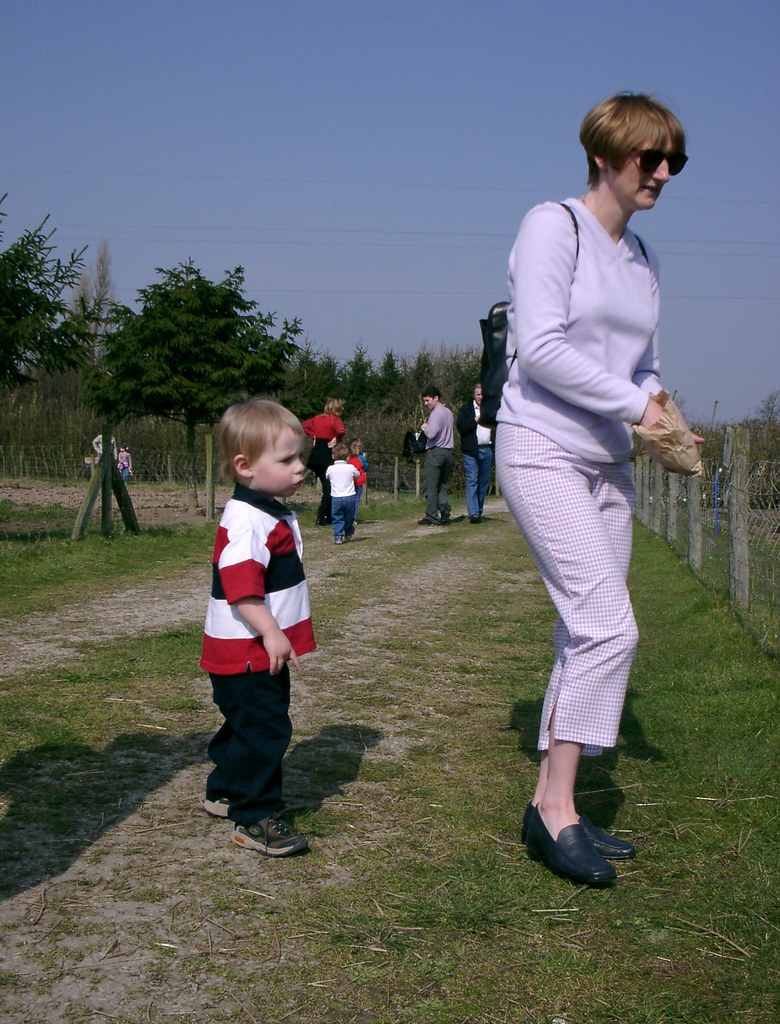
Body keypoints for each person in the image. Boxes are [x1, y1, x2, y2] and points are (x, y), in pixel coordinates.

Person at [495, 93, 702, 885]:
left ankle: (558, 804)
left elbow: (640, 365)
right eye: (649, 157)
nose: (661, 173)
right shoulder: (556, 226)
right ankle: (555, 814)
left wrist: (663, 414)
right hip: (542, 446)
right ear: (605, 155)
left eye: (672, 161)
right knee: (609, 625)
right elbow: (541, 349)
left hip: (609, 462)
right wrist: (634, 406)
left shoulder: (643, 255)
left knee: (582, 631)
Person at [199, 398, 316, 857]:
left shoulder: (266, 510)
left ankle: (225, 790)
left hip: (255, 650)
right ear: (245, 467)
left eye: (300, 456)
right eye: (286, 459)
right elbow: (241, 590)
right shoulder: (247, 521)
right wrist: (271, 632)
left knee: (247, 722)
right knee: (266, 730)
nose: (300, 467)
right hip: (249, 649)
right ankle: (256, 817)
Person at [302, 398, 346, 525]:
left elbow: (303, 426)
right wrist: (337, 439)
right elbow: (341, 431)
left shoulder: (316, 419)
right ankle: (323, 517)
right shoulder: (335, 420)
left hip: (315, 456)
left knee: (327, 487)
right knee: (330, 488)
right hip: (327, 456)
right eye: (341, 407)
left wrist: (313, 436)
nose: (343, 409)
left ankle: (326, 516)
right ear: (337, 408)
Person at [418, 386, 455, 526]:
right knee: (442, 484)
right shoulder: (449, 412)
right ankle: (445, 510)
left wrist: (424, 428)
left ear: (436, 398)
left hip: (436, 451)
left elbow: (431, 434)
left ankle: (432, 516)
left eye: (427, 400)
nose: (426, 404)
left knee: (432, 486)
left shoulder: (436, 413)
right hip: (449, 451)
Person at [456, 384, 493, 523]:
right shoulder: (465, 410)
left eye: (483, 394)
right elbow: (461, 428)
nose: (480, 397)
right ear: (473, 395)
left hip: (487, 449)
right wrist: (475, 420)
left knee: (483, 483)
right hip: (471, 451)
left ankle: (479, 510)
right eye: (478, 394)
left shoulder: (490, 409)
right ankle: (473, 514)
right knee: (472, 481)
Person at [326, 442, 360, 544]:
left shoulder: (330, 469)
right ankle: (348, 531)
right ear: (348, 457)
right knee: (349, 516)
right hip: (349, 496)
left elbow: (327, 476)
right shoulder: (350, 467)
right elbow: (357, 475)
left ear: (333, 456)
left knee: (337, 517)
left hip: (336, 497)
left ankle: (338, 535)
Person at [347, 437, 369, 522]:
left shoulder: (347, 458)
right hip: (359, 481)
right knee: (356, 500)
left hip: (349, 482)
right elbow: (366, 467)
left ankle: (347, 517)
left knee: (349, 499)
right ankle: (353, 518)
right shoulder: (361, 458)